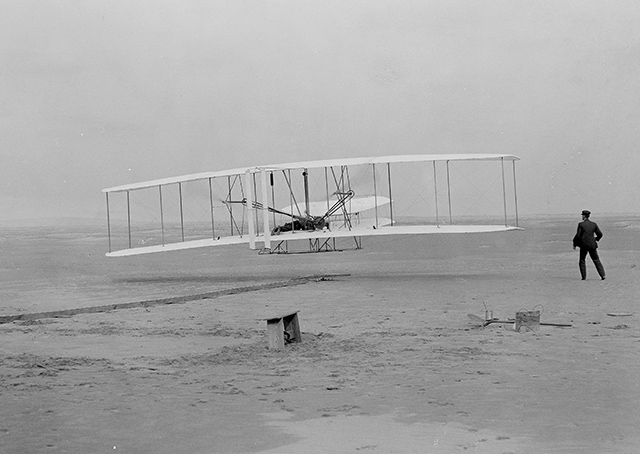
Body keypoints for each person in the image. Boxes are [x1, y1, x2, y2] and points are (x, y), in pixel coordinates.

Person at [572, 210, 606, 280]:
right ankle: (603, 275)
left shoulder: (581, 224)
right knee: (596, 259)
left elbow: (578, 236)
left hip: (584, 245)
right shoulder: (594, 224)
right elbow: (600, 234)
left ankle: (584, 277)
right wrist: (596, 239)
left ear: (584, 216)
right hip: (592, 245)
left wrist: (575, 243)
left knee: (582, 260)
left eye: (582, 215)